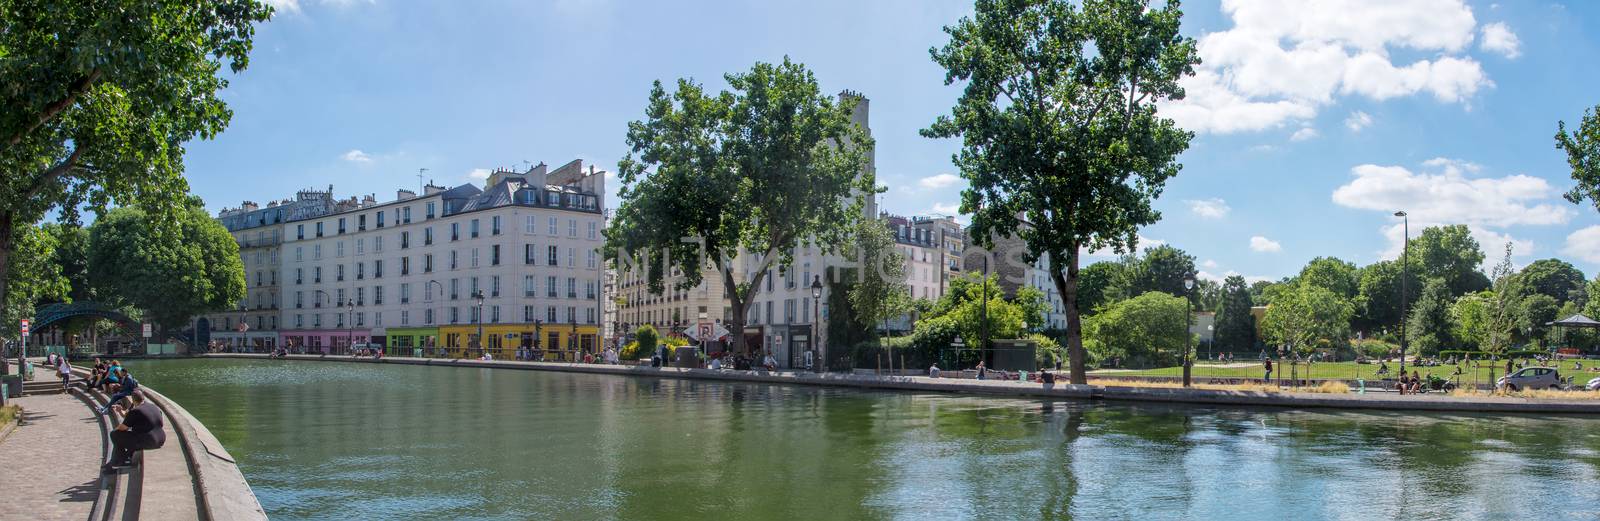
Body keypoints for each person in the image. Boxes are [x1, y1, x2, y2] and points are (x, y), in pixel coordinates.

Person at [103, 391, 166, 473]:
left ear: (133, 400)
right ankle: (118, 460)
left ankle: (118, 462)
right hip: (161, 438)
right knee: (132, 436)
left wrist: (117, 428)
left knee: (115, 434)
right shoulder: (154, 407)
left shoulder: (136, 411)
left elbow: (122, 428)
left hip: (149, 441)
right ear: (143, 398)